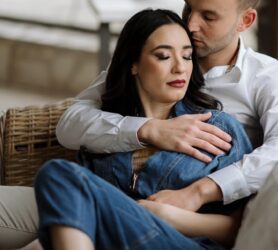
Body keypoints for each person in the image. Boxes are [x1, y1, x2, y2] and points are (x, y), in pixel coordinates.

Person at [0, 0, 278, 248]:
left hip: (181, 223)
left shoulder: (243, 101)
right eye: (189, 7)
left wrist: (200, 192)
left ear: (245, 21)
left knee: (61, 179)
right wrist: (149, 130)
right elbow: (71, 122)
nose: (190, 24)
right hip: (105, 200)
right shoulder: (147, 54)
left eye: (209, 16)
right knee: (60, 192)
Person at [34, 8, 252, 250]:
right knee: (58, 176)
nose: (180, 68)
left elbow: (245, 228)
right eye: (163, 56)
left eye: (188, 56)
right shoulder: (105, 129)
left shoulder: (217, 128)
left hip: (185, 245)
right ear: (133, 64)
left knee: (58, 173)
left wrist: (171, 217)